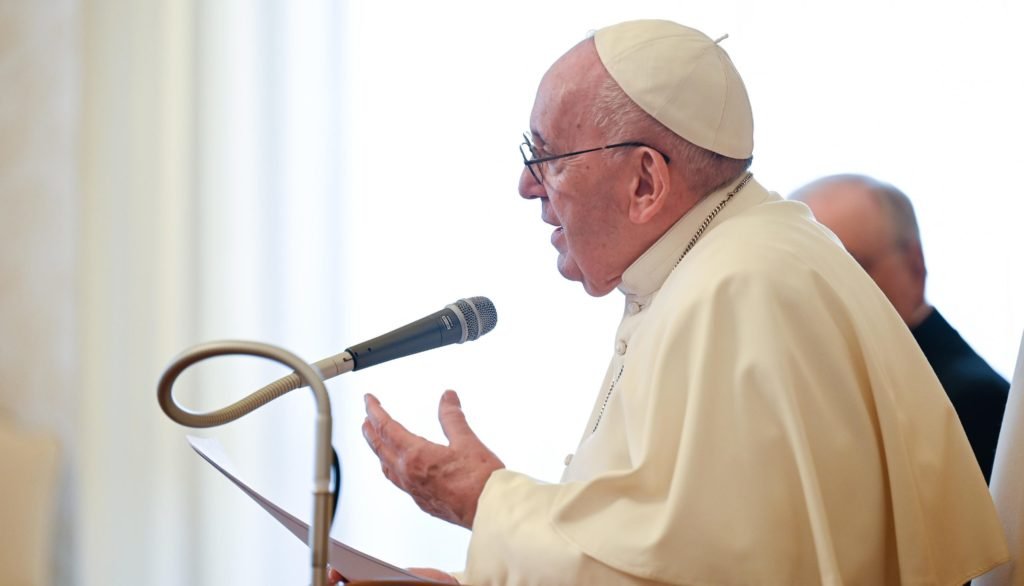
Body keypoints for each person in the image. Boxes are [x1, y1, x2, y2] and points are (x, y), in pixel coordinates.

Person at [340, 20, 1009, 585]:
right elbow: (650, 550)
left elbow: (703, 575)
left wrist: (483, 500)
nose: (526, 185)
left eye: (546, 156)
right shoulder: (711, 265)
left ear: (645, 181)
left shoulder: (740, 290)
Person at [790, 174, 1010, 481]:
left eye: (853, 269)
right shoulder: (819, 397)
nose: (826, 298)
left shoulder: (973, 401)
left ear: (914, 264)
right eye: (810, 280)